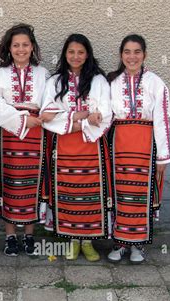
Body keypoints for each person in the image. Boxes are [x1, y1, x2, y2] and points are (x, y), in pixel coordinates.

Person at [40, 34, 113, 261]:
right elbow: (47, 116)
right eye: (71, 52)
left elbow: (105, 115)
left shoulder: (99, 81)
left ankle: (88, 242)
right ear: (65, 54)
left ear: (87, 54)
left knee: (89, 193)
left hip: (91, 146)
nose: (75, 56)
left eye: (80, 52)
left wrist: (69, 120)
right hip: (64, 148)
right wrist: (82, 118)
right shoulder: (54, 82)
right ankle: (72, 240)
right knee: (68, 193)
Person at [107, 34, 170, 263]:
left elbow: (162, 119)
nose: (132, 56)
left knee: (141, 195)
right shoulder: (112, 82)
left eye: (137, 52)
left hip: (145, 145)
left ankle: (139, 244)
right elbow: (107, 117)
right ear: (121, 55)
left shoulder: (155, 82)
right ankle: (120, 242)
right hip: (120, 145)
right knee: (120, 193)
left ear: (145, 54)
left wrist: (163, 156)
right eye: (127, 52)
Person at [0, 23, 50, 257]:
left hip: (37, 134)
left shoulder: (43, 74)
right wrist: (23, 121)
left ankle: (30, 235)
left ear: (32, 47)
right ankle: (10, 236)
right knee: (10, 183)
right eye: (16, 45)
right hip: (8, 135)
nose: (21, 49)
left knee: (32, 185)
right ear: (9, 47)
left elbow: (49, 102)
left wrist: (40, 119)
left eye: (25, 45)